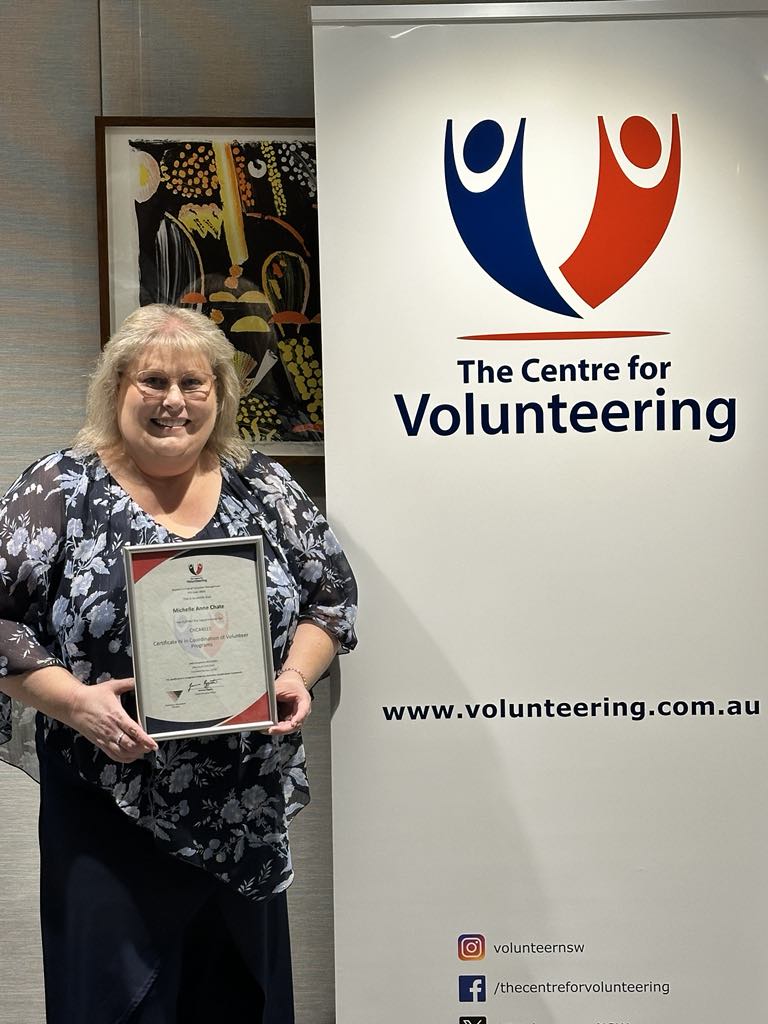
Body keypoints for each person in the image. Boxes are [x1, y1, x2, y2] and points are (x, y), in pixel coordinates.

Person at [0, 304, 357, 1023]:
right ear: (116, 389)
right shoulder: (61, 488)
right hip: (108, 810)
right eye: (152, 380)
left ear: (220, 393)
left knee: (239, 1002)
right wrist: (75, 702)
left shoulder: (262, 484)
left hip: (242, 815)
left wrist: (293, 675)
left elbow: (333, 596)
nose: (173, 401)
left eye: (194, 382)